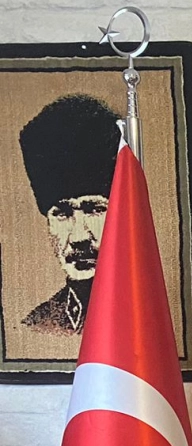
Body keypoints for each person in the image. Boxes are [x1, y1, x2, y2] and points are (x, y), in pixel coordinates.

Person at [18, 94, 122, 337]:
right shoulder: (39, 323)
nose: (78, 237)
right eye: (62, 214)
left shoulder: (151, 312)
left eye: (94, 209)